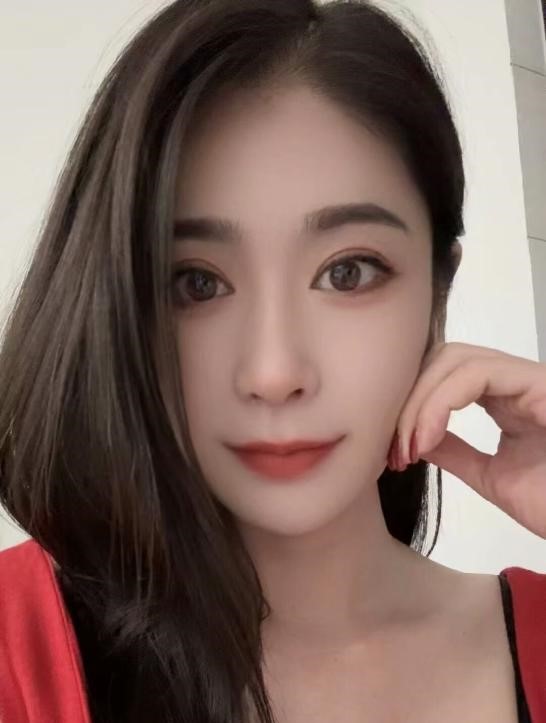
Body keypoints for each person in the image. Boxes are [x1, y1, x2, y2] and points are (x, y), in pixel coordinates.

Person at [0, 1, 545, 721]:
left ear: (437, 292)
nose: (274, 373)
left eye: (348, 272)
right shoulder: (16, 648)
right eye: (195, 283)